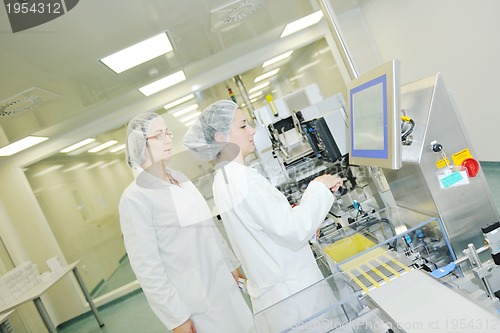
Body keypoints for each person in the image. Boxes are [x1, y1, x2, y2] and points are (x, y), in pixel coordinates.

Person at [183, 100, 343, 315]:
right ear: (220, 137)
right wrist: (318, 186)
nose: (252, 130)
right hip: (296, 297)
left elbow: (266, 230)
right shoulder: (244, 180)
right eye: (242, 126)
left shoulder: (223, 179)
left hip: (276, 298)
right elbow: (294, 230)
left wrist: (302, 219)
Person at [118, 112, 255, 333]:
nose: (168, 139)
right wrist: (176, 319)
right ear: (140, 145)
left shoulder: (180, 178)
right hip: (196, 302)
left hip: (222, 281)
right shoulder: (135, 197)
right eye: (159, 135)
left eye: (168, 133)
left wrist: (230, 265)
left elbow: (209, 229)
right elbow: (148, 269)